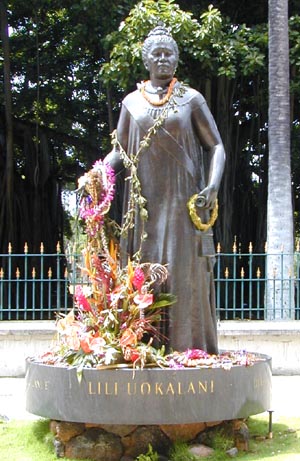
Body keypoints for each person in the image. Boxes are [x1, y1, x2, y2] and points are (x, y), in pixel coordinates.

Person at [105, 24, 225, 354]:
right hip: (144, 208)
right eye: (156, 54)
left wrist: (212, 185)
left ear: (176, 59)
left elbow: (216, 146)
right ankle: (142, 347)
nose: (162, 58)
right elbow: (119, 150)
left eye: (168, 53)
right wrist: (98, 175)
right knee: (145, 274)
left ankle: (190, 348)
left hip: (184, 203)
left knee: (185, 275)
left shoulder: (191, 100)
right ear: (145, 60)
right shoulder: (131, 104)